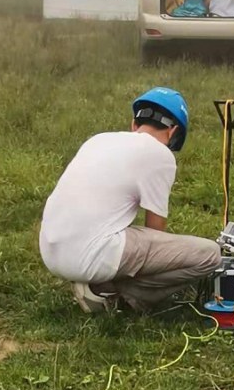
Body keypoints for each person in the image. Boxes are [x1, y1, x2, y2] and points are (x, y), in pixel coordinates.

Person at [39, 87, 222, 313]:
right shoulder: (160, 154)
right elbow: (155, 230)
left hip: (51, 251)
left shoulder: (98, 140)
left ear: (134, 124)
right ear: (173, 132)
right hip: (89, 255)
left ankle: (97, 282)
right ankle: (116, 295)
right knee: (210, 254)